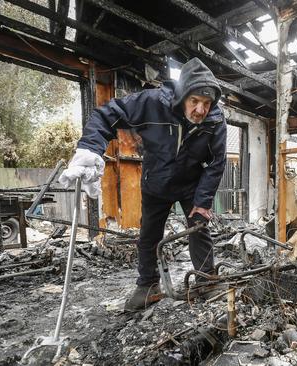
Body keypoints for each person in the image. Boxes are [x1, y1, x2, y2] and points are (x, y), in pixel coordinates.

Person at [58, 58, 227, 311]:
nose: (201, 110)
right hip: (156, 181)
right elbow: (106, 115)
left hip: (191, 183)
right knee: (149, 235)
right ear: (182, 96)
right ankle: (148, 286)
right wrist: (90, 148)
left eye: (206, 103)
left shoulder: (215, 121)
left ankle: (205, 280)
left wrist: (203, 202)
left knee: (199, 228)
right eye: (195, 101)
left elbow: (216, 162)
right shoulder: (151, 103)